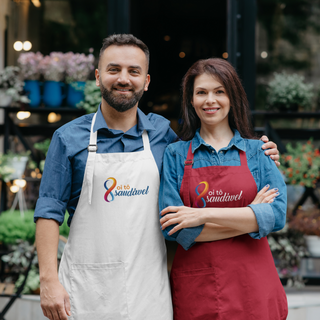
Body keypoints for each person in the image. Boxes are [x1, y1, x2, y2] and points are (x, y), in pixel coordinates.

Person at [34, 35, 280, 320]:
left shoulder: (165, 137)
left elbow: (209, 172)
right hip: (86, 290)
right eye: (114, 70)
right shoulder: (68, 138)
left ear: (146, 81)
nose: (123, 79)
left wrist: (262, 155)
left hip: (149, 291)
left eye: (134, 71)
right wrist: (48, 281)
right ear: (99, 77)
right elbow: (49, 212)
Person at [159, 58, 288, 320]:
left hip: (254, 287)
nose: (210, 100)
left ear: (232, 97)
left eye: (219, 91)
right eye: (201, 92)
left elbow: (276, 216)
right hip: (200, 290)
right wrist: (252, 216)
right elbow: (175, 230)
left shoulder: (258, 151)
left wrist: (201, 215)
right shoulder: (174, 154)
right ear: (191, 100)